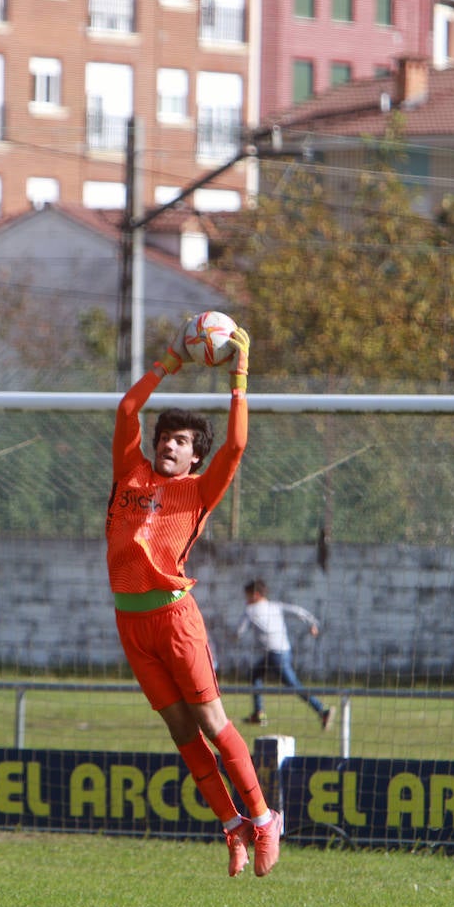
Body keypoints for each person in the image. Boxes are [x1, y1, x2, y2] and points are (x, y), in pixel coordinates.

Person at [106, 321, 282, 878]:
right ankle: (233, 826)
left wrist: (239, 374)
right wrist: (168, 362)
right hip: (131, 625)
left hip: (175, 620)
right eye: (165, 436)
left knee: (211, 721)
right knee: (181, 732)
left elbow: (238, 445)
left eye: (181, 441)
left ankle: (264, 818)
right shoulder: (129, 474)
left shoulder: (199, 491)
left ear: (194, 460)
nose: (168, 443)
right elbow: (127, 408)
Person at [237, 578, 334, 732]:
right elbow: (297, 610)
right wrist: (313, 623)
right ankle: (258, 713)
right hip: (283, 651)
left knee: (293, 685)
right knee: (255, 675)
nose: (246, 599)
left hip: (275, 656)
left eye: (247, 595)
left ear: (256, 595)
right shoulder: (275, 606)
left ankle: (322, 710)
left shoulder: (250, 611)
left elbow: (239, 632)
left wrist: (235, 634)